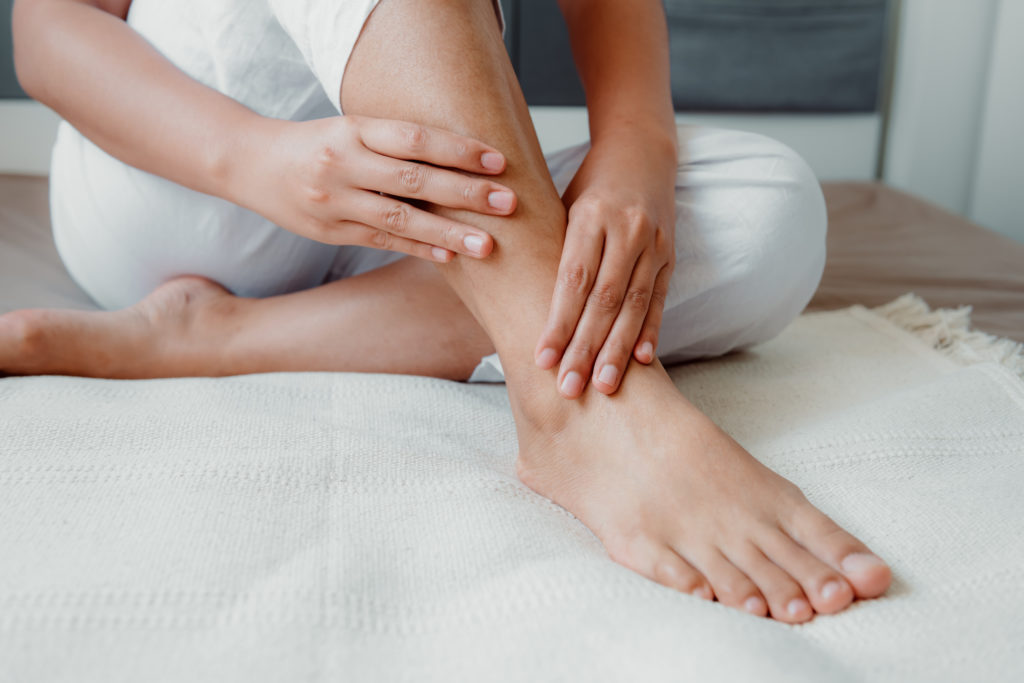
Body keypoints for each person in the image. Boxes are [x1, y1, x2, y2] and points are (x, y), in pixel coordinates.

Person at [5, 0, 891, 622]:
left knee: (771, 207)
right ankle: (575, 407)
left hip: (424, 199)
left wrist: (636, 150)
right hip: (191, 180)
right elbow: (45, 28)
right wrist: (257, 160)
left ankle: (211, 338)